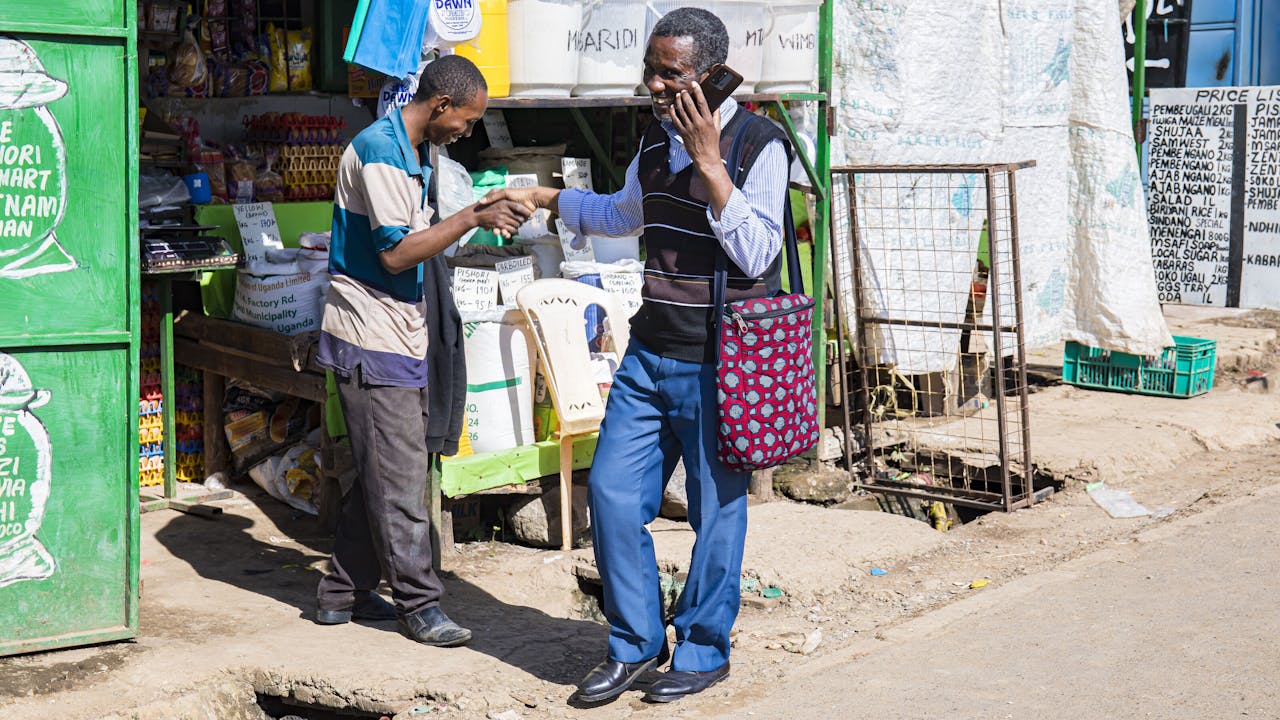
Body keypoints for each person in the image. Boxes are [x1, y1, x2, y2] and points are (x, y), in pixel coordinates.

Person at [489, 7, 792, 703]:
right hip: (650, 355)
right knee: (614, 496)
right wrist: (547, 198)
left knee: (718, 512)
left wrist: (712, 163)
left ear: (710, 76)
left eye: (670, 74)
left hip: (723, 364)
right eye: (650, 72)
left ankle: (705, 648)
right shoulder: (654, 148)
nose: (653, 86)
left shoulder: (759, 144)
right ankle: (634, 643)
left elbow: (758, 252)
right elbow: (621, 214)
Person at [313, 55, 531, 647]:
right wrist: (471, 216)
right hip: (371, 333)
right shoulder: (381, 151)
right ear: (440, 106)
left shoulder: (416, 153)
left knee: (386, 468)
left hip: (398, 330)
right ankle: (419, 604)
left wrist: (478, 215)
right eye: (465, 120)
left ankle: (340, 594)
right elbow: (395, 254)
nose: (467, 131)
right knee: (403, 479)